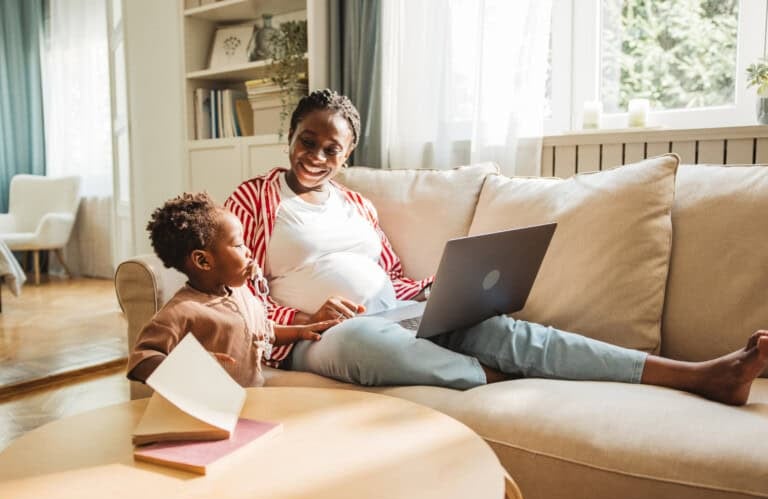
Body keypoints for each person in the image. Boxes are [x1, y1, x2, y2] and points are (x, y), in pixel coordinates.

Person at [224, 89, 768, 405]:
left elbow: (390, 275)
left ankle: (697, 375)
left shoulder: (357, 205)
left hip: (394, 311)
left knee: (506, 331)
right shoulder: (252, 199)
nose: (315, 155)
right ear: (290, 137)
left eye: (330, 148)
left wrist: (449, 291)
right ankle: (496, 377)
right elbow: (239, 298)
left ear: (346, 156)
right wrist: (302, 318)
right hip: (319, 337)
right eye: (306, 141)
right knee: (362, 342)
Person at [126, 192, 338, 387]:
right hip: (209, 410)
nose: (248, 252)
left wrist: (299, 332)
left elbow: (263, 332)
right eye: (238, 245)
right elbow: (142, 359)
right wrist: (188, 367)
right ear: (203, 260)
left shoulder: (242, 293)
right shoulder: (181, 310)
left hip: (251, 399)